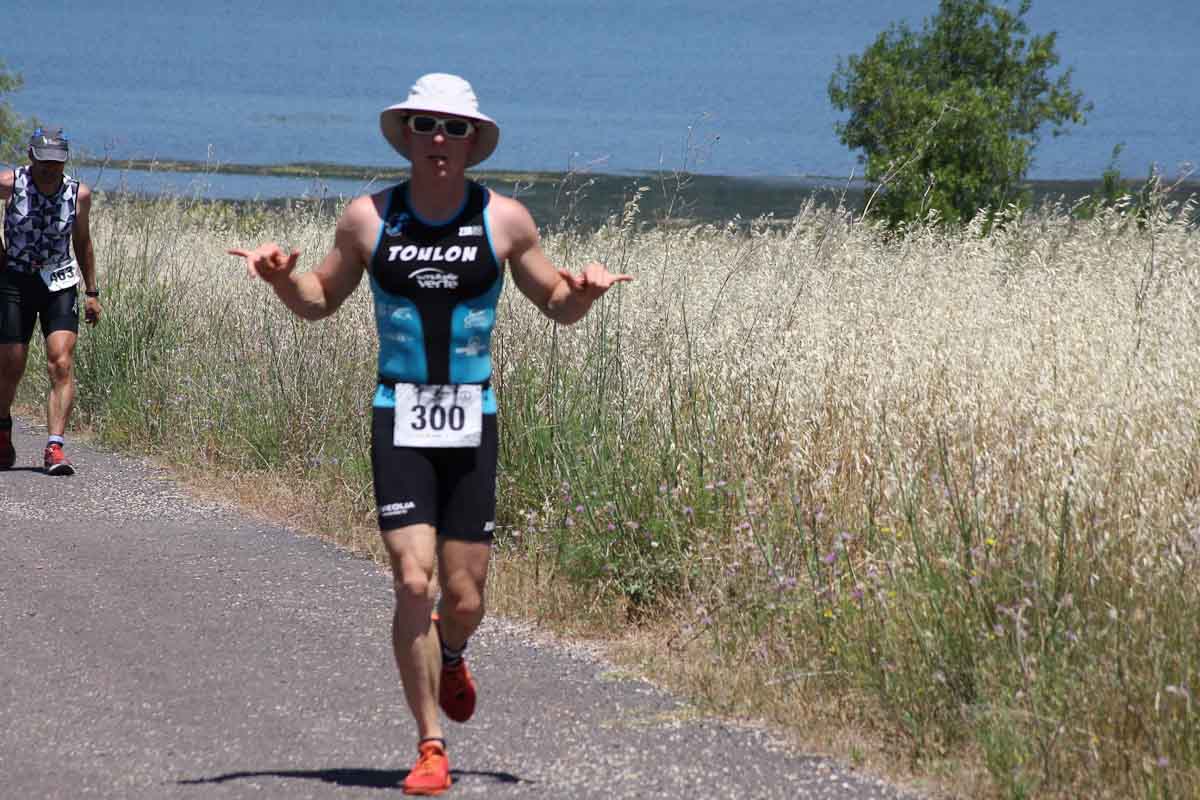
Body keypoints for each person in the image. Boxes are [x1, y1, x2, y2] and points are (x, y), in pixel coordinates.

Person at [229, 73, 632, 796]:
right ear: (406, 136)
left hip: (472, 416)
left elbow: (556, 302)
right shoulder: (367, 218)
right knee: (413, 580)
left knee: (465, 597)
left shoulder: (505, 220)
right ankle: (430, 744)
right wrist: (281, 279)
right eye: (425, 125)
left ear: (474, 141)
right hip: (401, 412)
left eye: (454, 128)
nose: (439, 138)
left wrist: (587, 293)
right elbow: (318, 300)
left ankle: (452, 651)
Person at [0, 126, 101, 475]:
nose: (49, 168)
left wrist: (92, 292)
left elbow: (83, 242)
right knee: (10, 364)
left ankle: (55, 447)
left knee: (61, 362)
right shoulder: (11, 183)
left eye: (56, 162)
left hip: (59, 282)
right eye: (43, 161)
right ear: (31, 156)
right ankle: (2, 430)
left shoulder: (78, 194)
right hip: (15, 280)